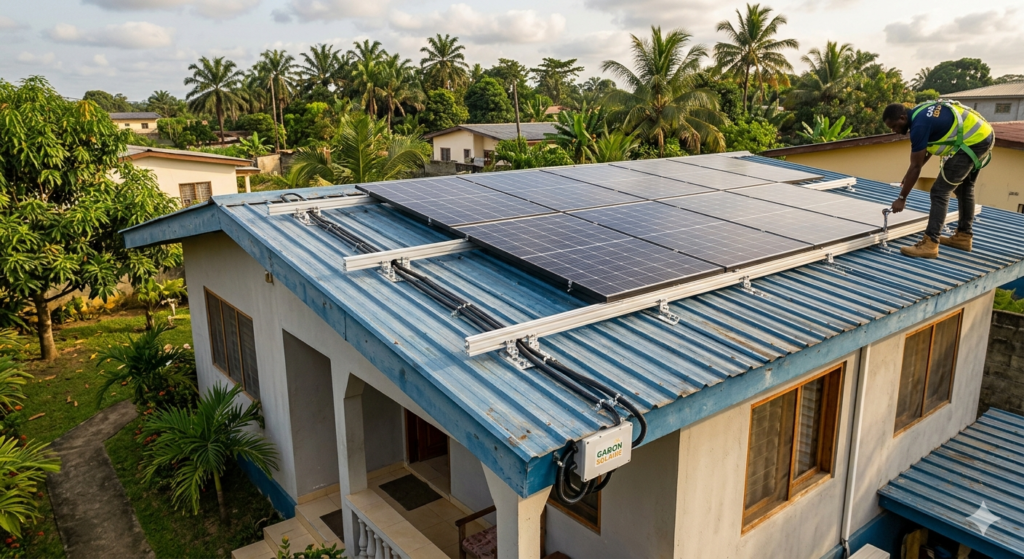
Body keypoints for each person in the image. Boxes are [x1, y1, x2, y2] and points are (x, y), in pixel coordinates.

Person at [882, 100, 994, 259]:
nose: (894, 131)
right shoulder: (918, 113)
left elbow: (916, 166)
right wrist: (910, 173)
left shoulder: (919, 126)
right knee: (964, 188)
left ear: (902, 118)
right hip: (981, 135)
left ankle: (930, 244)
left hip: (973, 141)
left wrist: (902, 198)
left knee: (939, 192)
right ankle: (963, 237)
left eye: (894, 126)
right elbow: (923, 154)